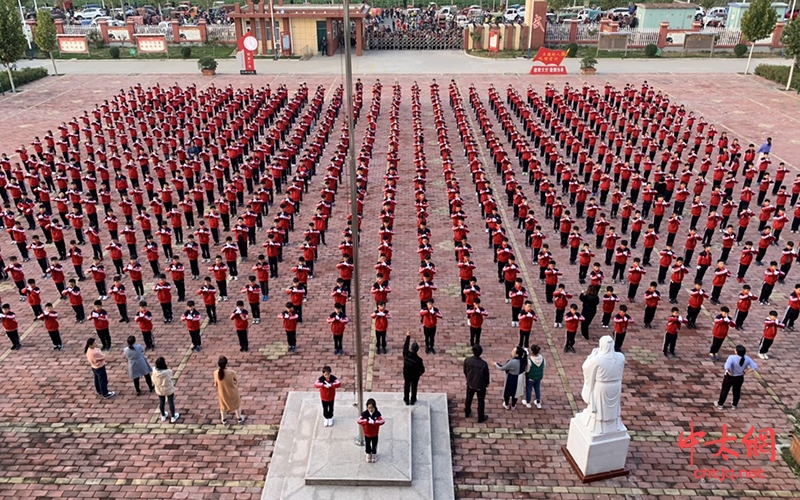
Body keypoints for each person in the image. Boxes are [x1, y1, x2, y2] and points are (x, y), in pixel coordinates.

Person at [716, 345, 758, 410]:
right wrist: (746, 372)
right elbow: (755, 367)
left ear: (736, 352)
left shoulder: (731, 357)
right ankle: (734, 405)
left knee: (725, 390)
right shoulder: (747, 358)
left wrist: (730, 372)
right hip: (739, 377)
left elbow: (726, 367)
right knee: (737, 391)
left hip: (730, 377)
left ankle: (720, 404)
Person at [213, 356, 245, 425]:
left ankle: (223, 420)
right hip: (232, 392)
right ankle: (239, 418)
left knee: (223, 406)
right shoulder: (231, 373)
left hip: (222, 393)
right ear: (226, 364)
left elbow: (216, 384)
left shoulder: (216, 373)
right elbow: (236, 381)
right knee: (236, 405)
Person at [463, 344, 490, 422]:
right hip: (480, 385)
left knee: (468, 398)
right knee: (481, 400)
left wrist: (468, 378)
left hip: (470, 383)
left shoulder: (467, 360)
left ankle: (467, 412)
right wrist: (486, 383)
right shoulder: (483, 364)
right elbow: (486, 376)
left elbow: (465, 371)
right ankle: (480, 417)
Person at [495, 346, 526, 410]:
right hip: (519, 378)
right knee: (515, 393)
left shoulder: (512, 362)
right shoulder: (524, 360)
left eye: (513, 351)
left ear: (517, 354)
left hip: (511, 378)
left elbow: (502, 368)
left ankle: (506, 404)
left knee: (507, 392)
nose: (512, 352)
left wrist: (496, 364)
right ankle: (513, 405)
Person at [357, 398, 385, 463]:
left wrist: (375, 422)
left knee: (374, 444)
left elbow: (382, 421)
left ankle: (374, 454)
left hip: (375, 433)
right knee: (367, 444)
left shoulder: (377, 413)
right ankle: (368, 454)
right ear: (367, 407)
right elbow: (359, 421)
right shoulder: (365, 414)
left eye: (372, 408)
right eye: (369, 408)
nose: (371, 409)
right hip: (367, 433)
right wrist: (366, 422)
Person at [153, 357, 180, 423]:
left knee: (161, 402)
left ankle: (163, 415)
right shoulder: (167, 372)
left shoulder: (154, 370)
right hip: (168, 388)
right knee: (171, 402)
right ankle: (173, 416)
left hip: (159, 389)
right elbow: (169, 377)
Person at [402, 331, 425, 405]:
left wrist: (408, 336)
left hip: (406, 374)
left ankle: (406, 399)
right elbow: (422, 370)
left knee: (406, 386)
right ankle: (413, 399)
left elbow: (405, 346)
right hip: (415, 376)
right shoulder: (418, 360)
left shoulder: (406, 354)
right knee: (414, 387)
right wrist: (419, 374)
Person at [524, 345, 545, 409]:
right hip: (539, 377)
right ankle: (538, 402)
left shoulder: (529, 360)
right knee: (537, 389)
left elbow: (527, 369)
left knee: (529, 389)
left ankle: (528, 402)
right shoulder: (542, 358)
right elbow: (544, 366)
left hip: (531, 377)